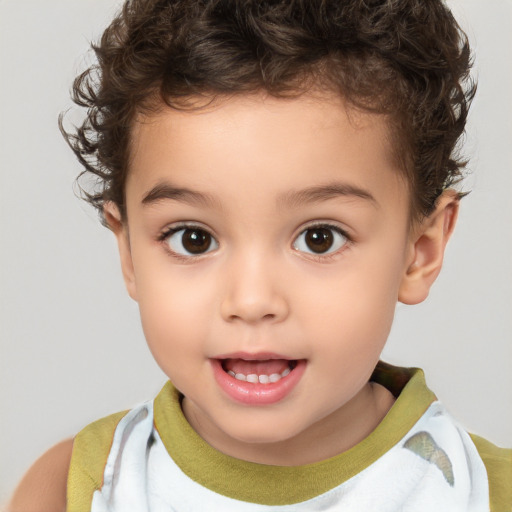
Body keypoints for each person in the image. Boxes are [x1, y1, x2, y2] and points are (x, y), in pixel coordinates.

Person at [7, 0, 511, 510]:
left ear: (419, 252)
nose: (251, 300)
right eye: (193, 238)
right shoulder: (74, 489)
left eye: (319, 238)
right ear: (130, 252)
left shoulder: (484, 492)